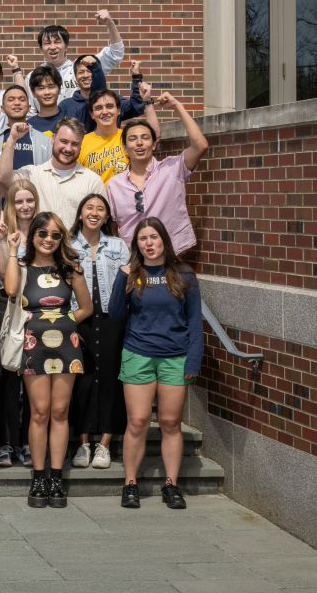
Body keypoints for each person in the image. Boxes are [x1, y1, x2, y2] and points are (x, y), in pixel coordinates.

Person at [109, 218, 203, 510]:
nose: (148, 243)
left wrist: (194, 359)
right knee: (137, 422)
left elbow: (194, 321)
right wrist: (121, 279)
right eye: (142, 239)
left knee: (170, 423)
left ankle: (171, 485)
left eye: (153, 237)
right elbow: (114, 316)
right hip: (138, 354)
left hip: (175, 356)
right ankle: (131, 483)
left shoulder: (183, 275)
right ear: (136, 244)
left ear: (164, 240)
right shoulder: (132, 274)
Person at [1, 212, 92, 508]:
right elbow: (11, 290)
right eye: (43, 234)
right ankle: (38, 476)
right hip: (33, 346)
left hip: (66, 346)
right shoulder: (24, 267)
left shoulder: (71, 269)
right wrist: (13, 250)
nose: (49, 240)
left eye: (55, 235)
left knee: (60, 411)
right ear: (34, 235)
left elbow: (87, 308)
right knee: (39, 411)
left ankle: (56, 476)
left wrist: (64, 321)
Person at [69, 193, 129, 470]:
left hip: (110, 320)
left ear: (106, 217)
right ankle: (83, 443)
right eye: (89, 208)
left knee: (109, 379)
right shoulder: (67, 246)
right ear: (80, 213)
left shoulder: (118, 245)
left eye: (100, 209)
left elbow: (130, 282)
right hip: (78, 319)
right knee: (81, 380)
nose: (94, 212)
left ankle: (104, 444)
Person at [106, 93, 208, 255]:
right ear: (125, 148)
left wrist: (176, 105)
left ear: (154, 144)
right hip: (132, 258)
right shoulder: (114, 184)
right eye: (132, 139)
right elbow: (112, 225)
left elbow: (200, 146)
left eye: (145, 138)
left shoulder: (172, 169)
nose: (139, 143)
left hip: (172, 254)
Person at [0, 180, 40, 467]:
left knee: (34, 375)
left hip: (38, 307)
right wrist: (7, 243)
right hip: (9, 305)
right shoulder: (0, 232)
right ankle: (5, 443)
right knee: (7, 375)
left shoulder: (45, 230)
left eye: (29, 200)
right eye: (18, 201)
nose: (24, 206)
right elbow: (6, 278)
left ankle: (30, 442)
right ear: (10, 205)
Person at [0, 117, 106, 230]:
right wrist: (12, 139)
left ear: (81, 146)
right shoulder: (33, 174)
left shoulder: (92, 181)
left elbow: (101, 222)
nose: (68, 148)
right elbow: (3, 177)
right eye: (64, 141)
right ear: (53, 139)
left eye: (75, 144)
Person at [29, 11, 125, 104]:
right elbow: (31, 111)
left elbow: (115, 54)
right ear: (41, 48)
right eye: (47, 43)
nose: (53, 47)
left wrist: (110, 23)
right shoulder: (33, 76)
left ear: (66, 46)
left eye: (57, 42)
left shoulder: (83, 67)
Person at [0, 84, 52, 170]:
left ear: (29, 108)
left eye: (22, 99)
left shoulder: (46, 140)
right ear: (2, 108)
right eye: (11, 100)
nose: (17, 103)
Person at [24, 65, 67, 137]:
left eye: (51, 87)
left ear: (59, 89)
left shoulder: (69, 119)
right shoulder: (28, 126)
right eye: (41, 88)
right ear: (33, 92)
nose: (47, 92)